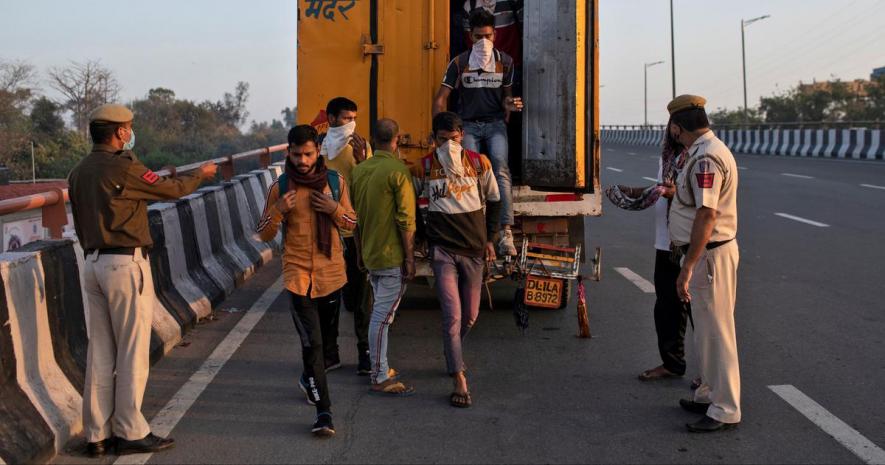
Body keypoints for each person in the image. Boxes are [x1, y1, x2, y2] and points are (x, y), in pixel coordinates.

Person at [68, 103, 217, 457]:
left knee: (101, 352)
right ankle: (130, 430)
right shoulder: (123, 166)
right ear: (120, 132)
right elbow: (171, 189)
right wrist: (200, 173)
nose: (131, 132)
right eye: (129, 127)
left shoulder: (79, 171)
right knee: (133, 350)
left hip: (92, 264)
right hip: (124, 265)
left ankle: (97, 434)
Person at [256, 124, 357, 437]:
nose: (302, 160)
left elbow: (352, 223)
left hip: (331, 274)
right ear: (289, 152)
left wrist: (333, 209)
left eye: (308, 154)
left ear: (317, 153)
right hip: (297, 275)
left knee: (324, 347)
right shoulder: (281, 187)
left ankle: (309, 377)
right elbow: (263, 233)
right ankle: (323, 412)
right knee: (311, 344)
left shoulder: (335, 183)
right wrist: (278, 211)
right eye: (297, 154)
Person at [411, 112, 501, 408]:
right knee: (452, 315)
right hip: (442, 251)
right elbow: (411, 203)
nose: (448, 144)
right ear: (433, 139)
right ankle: (459, 377)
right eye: (442, 139)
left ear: (462, 136)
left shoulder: (479, 163)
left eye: (452, 138)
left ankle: (453, 352)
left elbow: (495, 200)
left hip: (474, 249)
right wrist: (422, 236)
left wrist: (491, 239)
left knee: (470, 316)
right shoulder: (424, 167)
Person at [665, 95, 741, 433]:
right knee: (707, 333)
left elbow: (707, 214)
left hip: (710, 255)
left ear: (677, 127)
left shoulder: (706, 158)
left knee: (718, 333)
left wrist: (688, 266)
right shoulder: (703, 151)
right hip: (706, 254)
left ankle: (725, 409)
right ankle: (709, 393)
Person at [432, 8, 523, 257]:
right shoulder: (460, 63)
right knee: (471, 174)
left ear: (495, 36)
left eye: (488, 36)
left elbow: (506, 99)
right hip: (468, 126)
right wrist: (439, 131)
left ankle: (505, 231)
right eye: (478, 36)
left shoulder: (505, 62)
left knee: (500, 169)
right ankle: (479, 228)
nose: (483, 41)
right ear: (470, 36)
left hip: (495, 124)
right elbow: (441, 98)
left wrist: (511, 104)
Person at [603, 130, 692, 382]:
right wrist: (637, 192)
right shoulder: (667, 156)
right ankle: (672, 363)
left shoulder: (699, 157)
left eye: (677, 124)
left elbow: (700, 199)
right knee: (666, 307)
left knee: (700, 313)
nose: (673, 130)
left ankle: (710, 375)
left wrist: (671, 193)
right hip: (666, 242)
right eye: (672, 124)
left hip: (690, 243)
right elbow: (665, 189)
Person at [349, 118, 418, 397]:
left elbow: (354, 218)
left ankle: (381, 366)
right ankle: (378, 374)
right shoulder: (398, 171)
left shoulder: (359, 171)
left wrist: (359, 251)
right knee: (382, 317)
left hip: (370, 254)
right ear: (397, 139)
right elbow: (406, 220)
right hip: (391, 256)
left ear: (372, 140)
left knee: (382, 314)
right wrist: (410, 258)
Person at [321, 96, 374, 376]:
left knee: (361, 299)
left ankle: (365, 353)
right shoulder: (319, 148)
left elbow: (370, 185)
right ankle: (331, 354)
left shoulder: (361, 148)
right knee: (329, 297)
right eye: (345, 118)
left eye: (354, 118)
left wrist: (363, 162)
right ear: (331, 119)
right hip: (327, 232)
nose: (351, 124)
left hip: (355, 232)